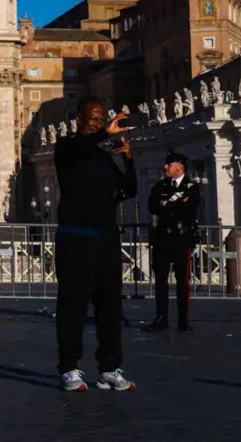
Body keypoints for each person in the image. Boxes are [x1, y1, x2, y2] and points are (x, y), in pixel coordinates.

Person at [53, 98, 137, 392]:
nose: (97, 124)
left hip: (106, 239)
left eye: (101, 120)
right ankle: (69, 367)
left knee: (111, 307)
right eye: (93, 119)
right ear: (79, 118)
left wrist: (128, 158)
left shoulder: (103, 157)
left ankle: (110, 369)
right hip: (75, 238)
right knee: (73, 306)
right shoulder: (66, 148)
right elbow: (79, 149)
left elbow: (129, 190)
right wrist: (104, 136)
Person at [146, 150, 200, 332]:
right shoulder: (161, 185)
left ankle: (183, 320)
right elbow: (152, 206)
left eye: (169, 165)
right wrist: (174, 206)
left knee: (182, 281)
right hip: (162, 238)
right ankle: (161, 318)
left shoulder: (192, 187)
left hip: (181, 238)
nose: (165, 167)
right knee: (160, 280)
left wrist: (166, 205)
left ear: (179, 167)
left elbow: (189, 211)